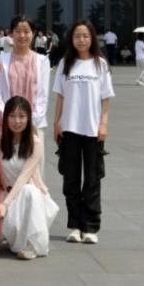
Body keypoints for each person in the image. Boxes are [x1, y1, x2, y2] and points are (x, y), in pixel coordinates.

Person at [53, 20, 114, 244]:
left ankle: (90, 227)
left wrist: (103, 124)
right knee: (70, 179)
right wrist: (56, 122)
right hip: (69, 128)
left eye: (85, 36)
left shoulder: (100, 64)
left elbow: (105, 99)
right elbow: (60, 96)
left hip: (92, 129)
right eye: (77, 36)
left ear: (92, 38)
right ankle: (74, 225)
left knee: (92, 179)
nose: (81, 40)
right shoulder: (65, 63)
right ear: (71, 39)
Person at [0, 96, 59, 260]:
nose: (17, 121)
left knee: (28, 191)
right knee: (3, 234)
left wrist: (5, 204)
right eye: (12, 116)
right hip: (6, 196)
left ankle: (31, 245)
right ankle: (14, 236)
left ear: (28, 118)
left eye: (22, 116)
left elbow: (23, 177)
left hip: (28, 199)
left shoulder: (36, 143)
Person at [0, 16, 50, 148]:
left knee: (33, 159)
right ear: (11, 34)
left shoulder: (42, 61)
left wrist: (30, 122)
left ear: (33, 33)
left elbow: (43, 95)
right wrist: (9, 119)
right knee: (6, 160)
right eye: (18, 31)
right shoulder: (1, 60)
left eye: (26, 31)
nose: (22, 35)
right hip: (7, 125)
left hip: (33, 126)